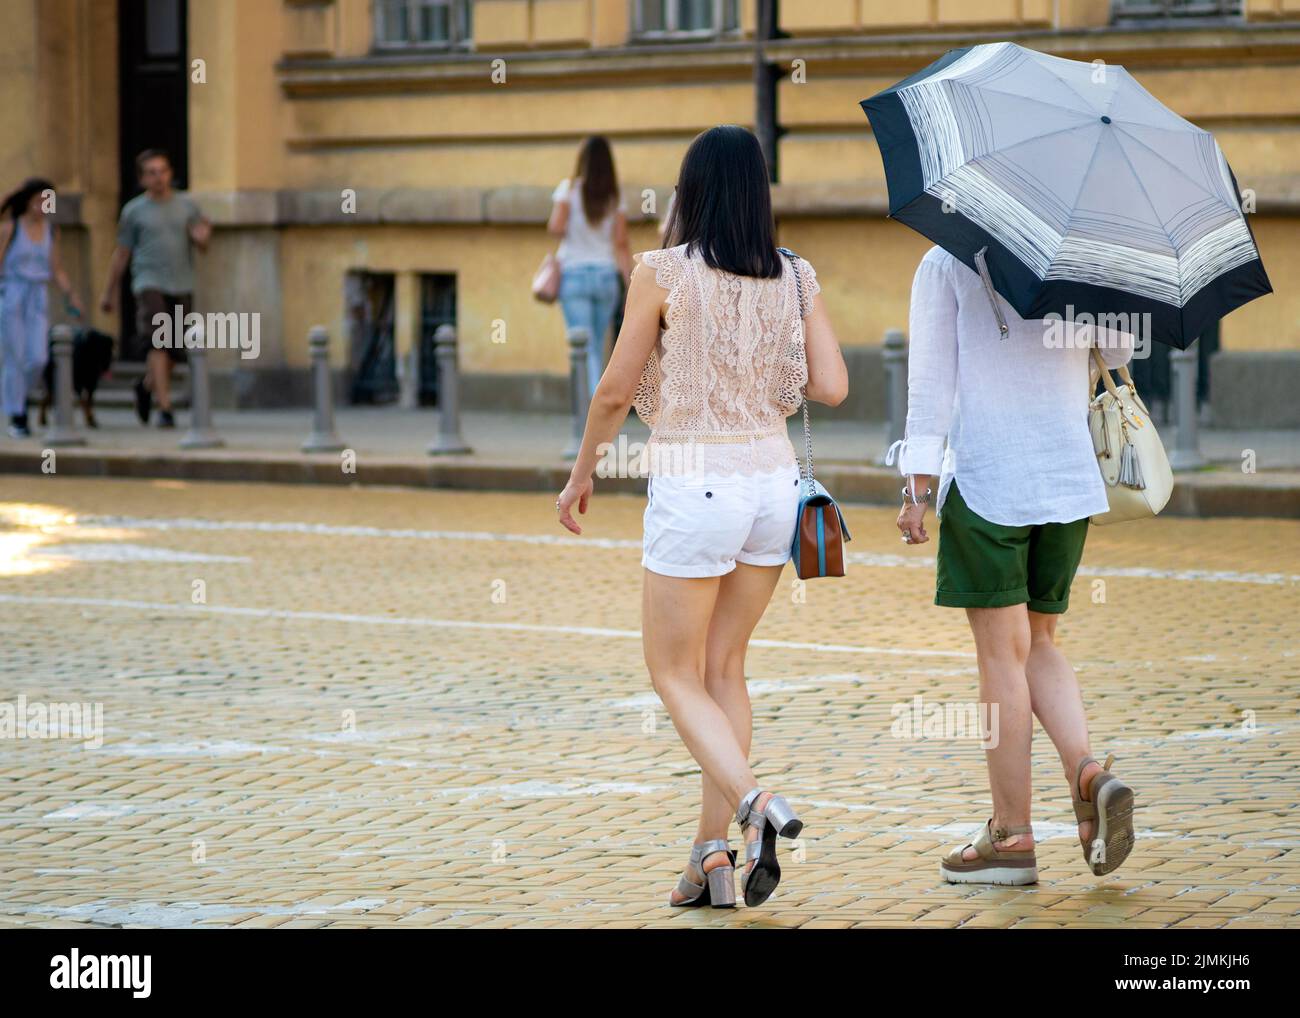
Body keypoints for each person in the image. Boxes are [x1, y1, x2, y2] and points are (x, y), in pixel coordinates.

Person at [555, 126, 847, 908]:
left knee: (674, 673)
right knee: (725, 671)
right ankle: (709, 858)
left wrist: (582, 472)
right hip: (773, 486)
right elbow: (834, 385)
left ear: (691, 192)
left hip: (696, 481)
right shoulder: (794, 274)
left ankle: (753, 804)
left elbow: (615, 391)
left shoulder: (661, 272)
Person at [890, 244, 1137, 885]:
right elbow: (1117, 353)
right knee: (1041, 643)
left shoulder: (946, 261)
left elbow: (929, 387)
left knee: (1003, 654)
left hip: (988, 478)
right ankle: (1088, 773)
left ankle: (1011, 835)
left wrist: (916, 492)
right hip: (1067, 476)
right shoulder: (1084, 251)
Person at [99, 149, 210, 428]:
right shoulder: (134, 211)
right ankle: (165, 407)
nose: (159, 177)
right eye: (151, 172)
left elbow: (203, 243)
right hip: (148, 282)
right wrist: (109, 291)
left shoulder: (187, 206)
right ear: (141, 178)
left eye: (163, 171)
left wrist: (202, 238)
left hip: (181, 282)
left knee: (175, 350)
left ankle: (147, 386)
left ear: (170, 173)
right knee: (159, 342)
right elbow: (122, 253)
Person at [548, 136, 632, 400]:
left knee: (582, 350)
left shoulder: (568, 190)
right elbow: (621, 243)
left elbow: (556, 228)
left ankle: (592, 410)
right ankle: (594, 407)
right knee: (596, 346)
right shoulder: (614, 196)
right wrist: (631, 282)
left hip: (574, 276)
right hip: (606, 277)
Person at [0, 178, 83, 438]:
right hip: (12, 293)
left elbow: (56, 268)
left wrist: (71, 294)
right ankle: (18, 413)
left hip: (38, 295)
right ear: (29, 201)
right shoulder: (10, 228)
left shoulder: (50, 230)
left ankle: (20, 399)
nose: (45, 206)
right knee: (15, 354)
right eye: (41, 200)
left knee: (38, 356)